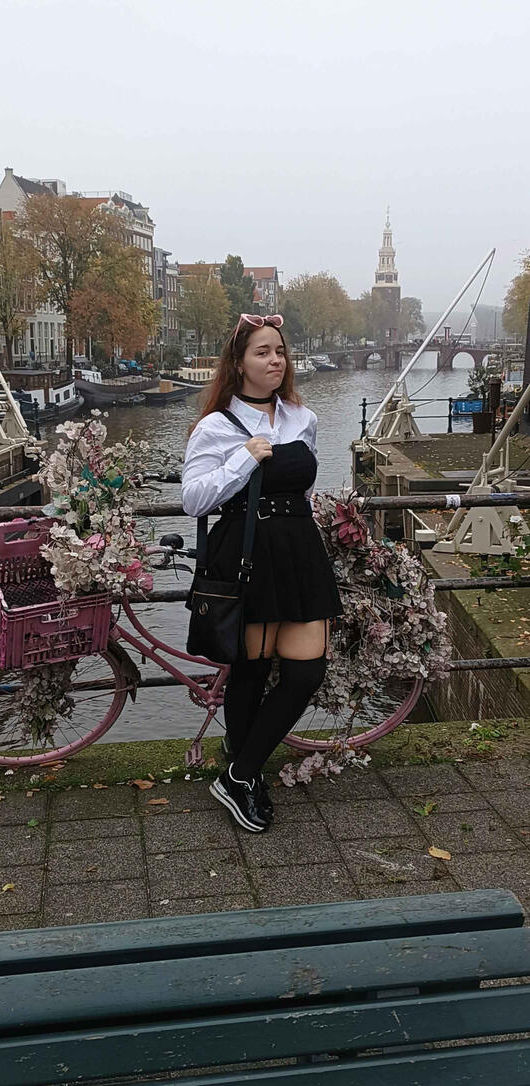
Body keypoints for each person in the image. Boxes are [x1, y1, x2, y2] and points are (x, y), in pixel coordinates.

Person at [181, 314, 343, 833]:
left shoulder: (302, 417)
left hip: (297, 552)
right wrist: (244, 460)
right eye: (262, 352)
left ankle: (238, 773)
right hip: (246, 554)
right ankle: (245, 775)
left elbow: (304, 489)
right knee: (250, 674)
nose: (276, 360)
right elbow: (193, 499)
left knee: (306, 673)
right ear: (238, 363)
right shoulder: (215, 426)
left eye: (280, 351)